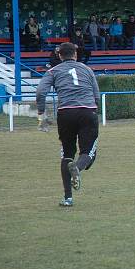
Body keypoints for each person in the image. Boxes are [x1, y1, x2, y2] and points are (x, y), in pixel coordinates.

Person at [35, 42, 100, 207]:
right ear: (76, 54)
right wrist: (94, 112)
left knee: (67, 154)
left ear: (59, 55)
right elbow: (96, 94)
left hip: (65, 113)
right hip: (87, 111)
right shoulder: (87, 69)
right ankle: (77, 167)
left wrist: (41, 114)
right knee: (89, 152)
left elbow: (41, 92)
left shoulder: (53, 71)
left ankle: (68, 198)